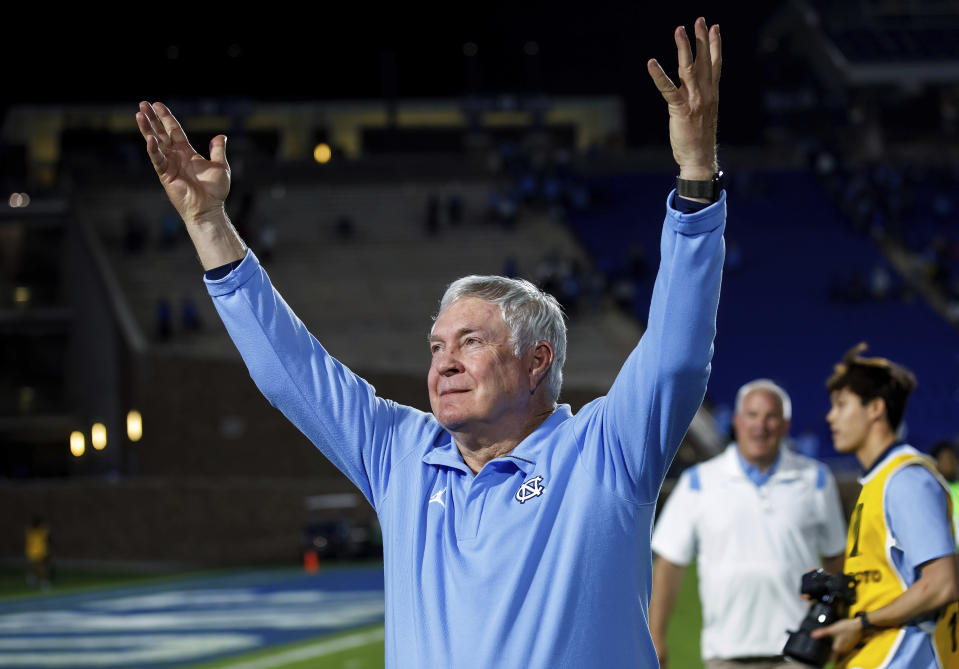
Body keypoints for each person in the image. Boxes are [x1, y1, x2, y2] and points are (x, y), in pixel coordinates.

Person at [136, 17, 724, 667]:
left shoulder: (605, 451)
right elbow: (290, 373)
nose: (443, 361)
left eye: (469, 341)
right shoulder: (401, 454)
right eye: (435, 346)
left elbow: (674, 358)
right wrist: (210, 223)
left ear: (537, 361)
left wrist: (695, 176)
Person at [649, 379, 847, 669]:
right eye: (752, 415)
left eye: (771, 416)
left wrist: (832, 621)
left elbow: (836, 558)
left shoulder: (816, 479)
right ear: (738, 421)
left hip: (798, 652)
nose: (761, 425)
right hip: (725, 653)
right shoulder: (698, 483)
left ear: (785, 424)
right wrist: (655, 637)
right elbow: (668, 565)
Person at [811, 343, 959, 668]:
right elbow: (884, 583)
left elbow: (942, 583)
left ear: (875, 408)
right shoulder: (879, 481)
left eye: (840, 404)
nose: (830, 416)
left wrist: (862, 624)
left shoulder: (906, 480)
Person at [931, 440, 959, 542]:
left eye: (954, 458)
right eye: (947, 458)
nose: (952, 463)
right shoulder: (931, 490)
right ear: (935, 462)